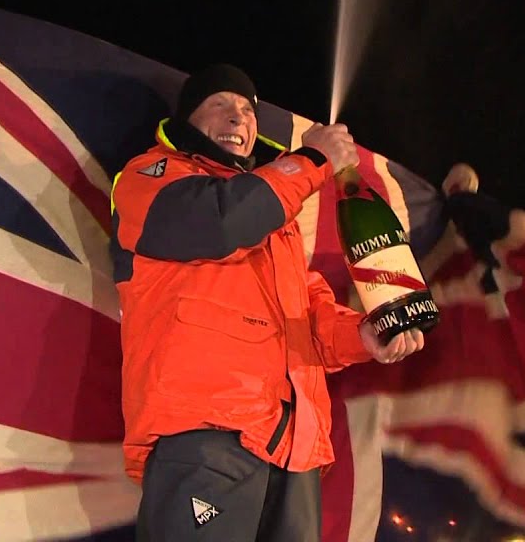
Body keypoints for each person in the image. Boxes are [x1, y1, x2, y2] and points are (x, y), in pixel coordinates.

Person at [110, 63, 425, 541]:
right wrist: (312, 162)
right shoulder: (152, 176)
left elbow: (310, 318)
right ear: (187, 121)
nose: (237, 119)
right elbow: (217, 222)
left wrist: (365, 335)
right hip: (208, 434)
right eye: (218, 105)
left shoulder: (277, 221)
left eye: (245, 110)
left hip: (295, 453)